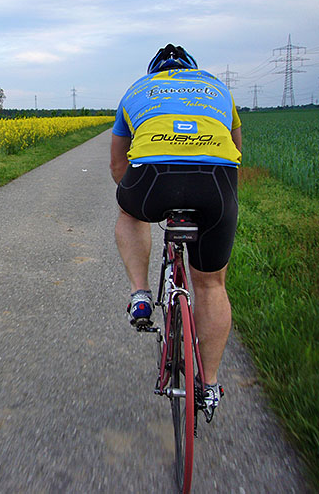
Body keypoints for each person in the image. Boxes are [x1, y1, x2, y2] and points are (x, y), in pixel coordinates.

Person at [110, 44, 242, 421]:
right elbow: (235, 147)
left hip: (152, 178)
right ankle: (210, 385)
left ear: (155, 72)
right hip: (216, 181)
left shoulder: (136, 90)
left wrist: (135, 199)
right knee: (212, 286)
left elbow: (118, 164)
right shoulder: (217, 88)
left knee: (128, 210)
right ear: (192, 71)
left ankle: (140, 293)